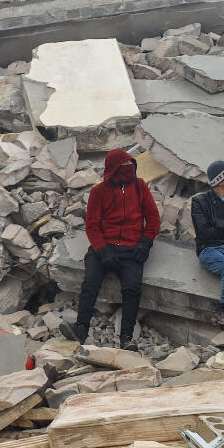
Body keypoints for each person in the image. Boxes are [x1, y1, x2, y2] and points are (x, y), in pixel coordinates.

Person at [68, 148, 159, 347]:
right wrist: (102, 250)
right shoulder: (98, 191)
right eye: (123, 166)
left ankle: (126, 338)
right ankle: (81, 328)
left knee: (132, 289)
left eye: (130, 165)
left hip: (132, 249)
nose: (128, 169)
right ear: (113, 169)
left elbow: (153, 219)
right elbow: (92, 225)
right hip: (105, 247)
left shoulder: (140, 187)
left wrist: (145, 244)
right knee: (90, 284)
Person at [195, 160, 224, 325]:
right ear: (220, 180)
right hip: (209, 250)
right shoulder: (199, 202)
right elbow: (204, 234)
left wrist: (218, 223)